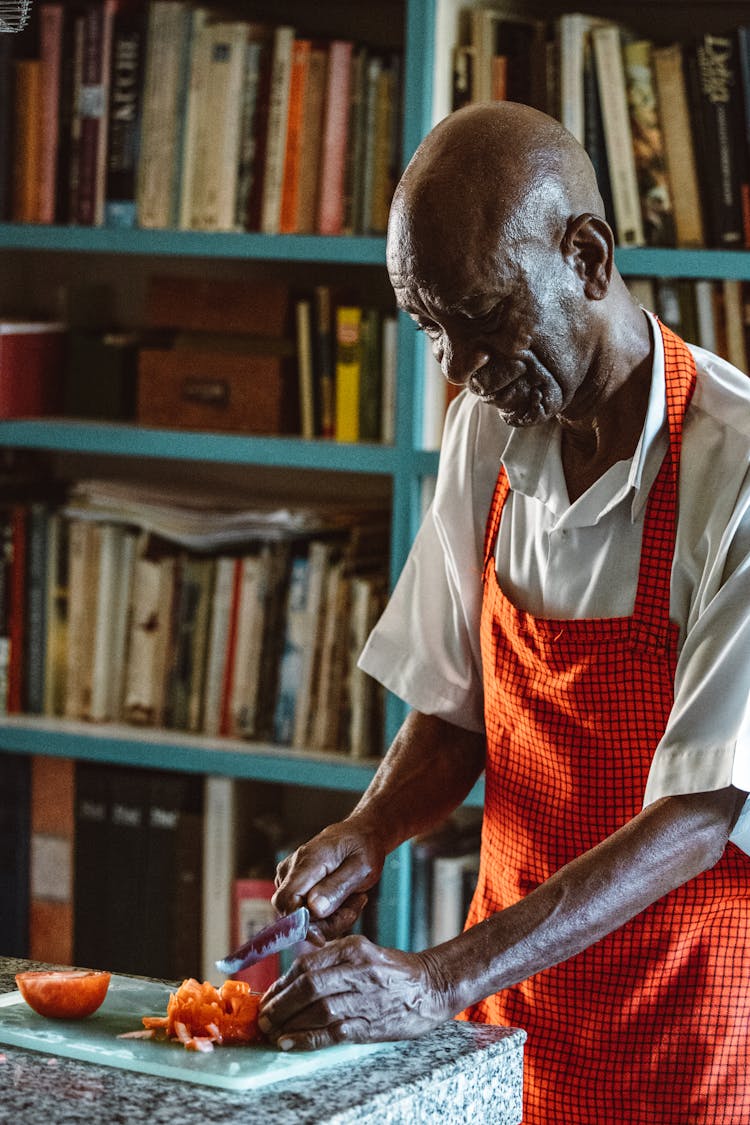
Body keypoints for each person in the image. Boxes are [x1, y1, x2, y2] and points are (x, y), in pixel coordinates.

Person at [257, 102, 750, 1124]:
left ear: (588, 256)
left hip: (685, 1037)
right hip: (503, 1019)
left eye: (479, 317)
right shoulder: (487, 430)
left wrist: (434, 980)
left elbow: (702, 812)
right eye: (429, 327)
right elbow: (453, 715)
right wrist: (370, 827)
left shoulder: (736, 468)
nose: (455, 367)